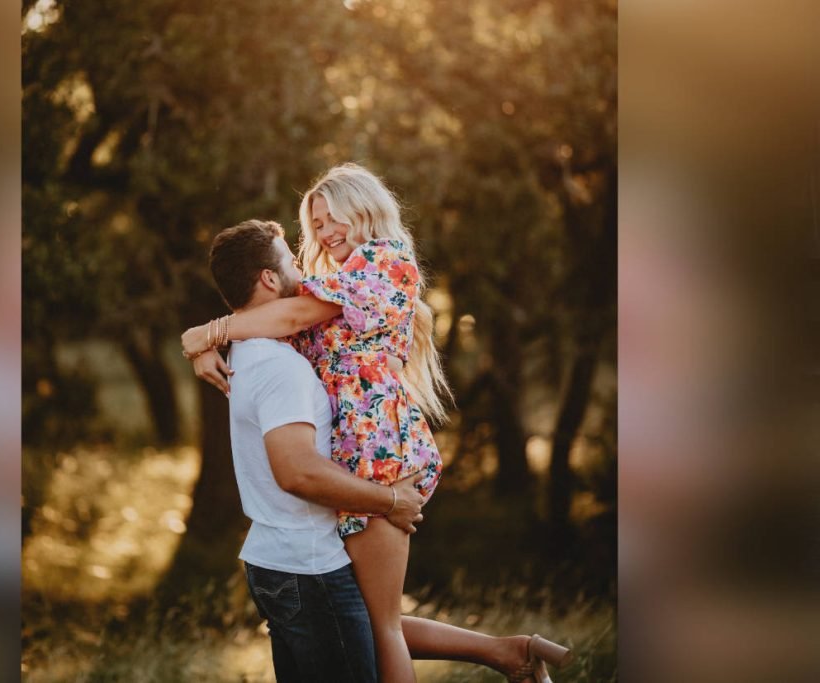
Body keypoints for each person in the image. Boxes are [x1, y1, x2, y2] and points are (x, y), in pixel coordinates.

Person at [186, 166, 572, 683]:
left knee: (381, 626)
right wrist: (204, 344)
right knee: (369, 620)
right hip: (353, 453)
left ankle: (510, 652)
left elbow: (289, 318)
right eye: (316, 224)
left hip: (377, 450)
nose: (325, 233)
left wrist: (206, 334)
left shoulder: (384, 262)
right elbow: (276, 321)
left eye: (333, 218)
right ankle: (510, 652)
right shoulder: (334, 282)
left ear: (364, 208)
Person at [207, 218, 426, 683]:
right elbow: (297, 472)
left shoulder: (250, 350)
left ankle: (509, 653)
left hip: (280, 560)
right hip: (308, 568)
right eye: (291, 260)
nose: (302, 269)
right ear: (269, 278)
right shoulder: (279, 366)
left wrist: (203, 339)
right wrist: (391, 501)